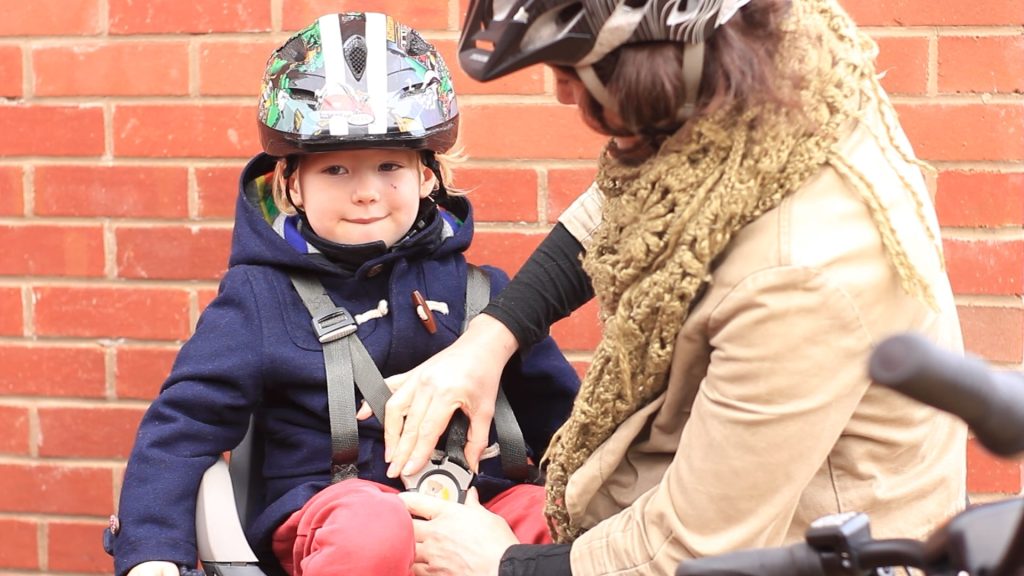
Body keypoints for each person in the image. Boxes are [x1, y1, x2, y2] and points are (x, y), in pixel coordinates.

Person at [385, 0, 969, 574]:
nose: (562, 94)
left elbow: (694, 548)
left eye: (574, 72)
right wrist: (486, 343)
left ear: (665, 66)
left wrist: (503, 563)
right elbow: (631, 203)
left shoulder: (800, 277)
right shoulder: (774, 77)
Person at [104, 12, 579, 576]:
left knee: (548, 518)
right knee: (372, 528)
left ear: (428, 176)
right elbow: (182, 425)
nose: (366, 193)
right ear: (292, 185)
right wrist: (153, 551)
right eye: (335, 170)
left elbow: (567, 422)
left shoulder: (487, 293)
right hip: (331, 516)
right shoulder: (259, 297)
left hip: (473, 506)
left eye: (389, 166)